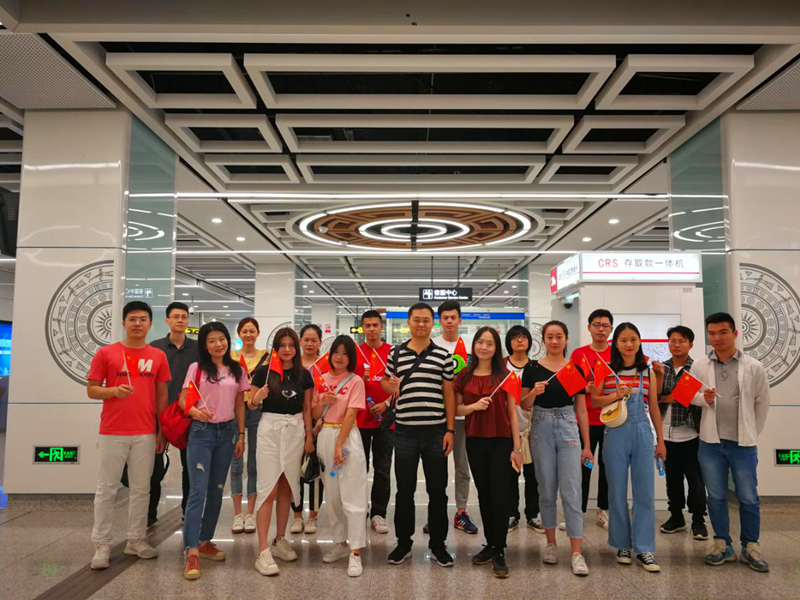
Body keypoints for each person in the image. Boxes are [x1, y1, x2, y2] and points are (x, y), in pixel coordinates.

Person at [87, 301, 170, 570]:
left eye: (143, 319)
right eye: (132, 319)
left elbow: (161, 394)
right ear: (123, 322)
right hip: (112, 431)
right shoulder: (106, 353)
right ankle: (102, 543)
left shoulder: (158, 356)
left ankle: (136, 539)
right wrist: (113, 391)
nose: (137, 323)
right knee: (107, 489)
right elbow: (92, 389)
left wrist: (161, 430)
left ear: (150, 324)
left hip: (145, 432)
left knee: (141, 488)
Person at [690, 313, 771, 573]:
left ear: (735, 333)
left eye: (723, 332)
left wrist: (750, 433)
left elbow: (761, 403)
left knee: (747, 496)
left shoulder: (753, 366)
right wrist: (704, 399)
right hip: (710, 444)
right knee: (715, 496)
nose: (717, 338)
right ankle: (722, 544)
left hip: (742, 445)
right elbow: (689, 395)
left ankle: (751, 546)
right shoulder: (700, 365)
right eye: (712, 333)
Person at [383, 302, 456, 567]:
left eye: (426, 320)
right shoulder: (395, 354)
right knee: (404, 490)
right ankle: (403, 543)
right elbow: (386, 384)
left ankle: (438, 544)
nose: (421, 324)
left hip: (436, 431)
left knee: (438, 491)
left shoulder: (443, 356)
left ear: (432, 323)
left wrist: (450, 430)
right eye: (416, 320)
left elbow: (449, 394)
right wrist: (389, 385)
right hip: (405, 432)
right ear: (409, 322)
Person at [592, 322, 667, 573]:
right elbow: (594, 401)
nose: (629, 344)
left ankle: (644, 548)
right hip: (615, 433)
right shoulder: (605, 369)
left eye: (633, 339)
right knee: (616, 491)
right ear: (615, 343)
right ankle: (622, 544)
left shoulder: (647, 373)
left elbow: (654, 407)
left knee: (645, 491)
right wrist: (615, 395)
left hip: (642, 432)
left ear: (639, 342)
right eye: (623, 340)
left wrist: (660, 440)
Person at [521, 321, 592, 577]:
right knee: (547, 488)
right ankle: (551, 544)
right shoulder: (532, 368)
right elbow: (524, 404)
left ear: (566, 339)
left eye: (559, 336)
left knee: (572, 490)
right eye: (549, 336)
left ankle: (576, 552)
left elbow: (581, 409)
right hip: (540, 425)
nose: (554, 341)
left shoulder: (574, 369)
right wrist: (535, 392)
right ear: (543, 339)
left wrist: (587, 445)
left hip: (568, 423)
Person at [180, 322, 248, 580]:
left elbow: (240, 404)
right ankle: (191, 550)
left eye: (222, 339)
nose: (218, 344)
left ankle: (205, 541)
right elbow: (184, 399)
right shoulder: (196, 368)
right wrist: (195, 412)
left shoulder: (237, 369)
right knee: (198, 491)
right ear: (204, 345)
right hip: (202, 433)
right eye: (212, 341)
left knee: (217, 491)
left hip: (227, 433)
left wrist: (241, 435)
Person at [455, 327, 522, 578]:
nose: (484, 347)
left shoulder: (505, 376)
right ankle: (491, 544)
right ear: (474, 345)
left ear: (496, 348)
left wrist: (517, 448)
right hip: (475, 440)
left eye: (490, 343)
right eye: (480, 342)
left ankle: (500, 548)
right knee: (484, 494)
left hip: (501, 441)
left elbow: (513, 413)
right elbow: (457, 409)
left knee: (500, 494)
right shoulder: (464, 375)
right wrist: (474, 406)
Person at [249, 328, 315, 577]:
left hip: (296, 431)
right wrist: (258, 397)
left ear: (296, 348)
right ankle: (262, 550)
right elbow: (250, 404)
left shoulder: (304, 374)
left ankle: (279, 539)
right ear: (276, 348)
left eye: (291, 345)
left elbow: (307, 408)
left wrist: (309, 436)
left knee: (287, 485)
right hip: (270, 430)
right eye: (282, 345)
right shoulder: (264, 372)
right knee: (268, 488)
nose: (287, 349)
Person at [311, 335, 369, 577]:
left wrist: (339, 445)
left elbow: (351, 414)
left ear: (351, 357)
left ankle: (355, 551)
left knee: (352, 495)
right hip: (325, 437)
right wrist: (322, 401)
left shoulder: (356, 381)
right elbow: (315, 413)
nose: (339, 357)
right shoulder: (321, 380)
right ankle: (340, 543)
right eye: (336, 352)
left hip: (347, 440)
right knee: (332, 494)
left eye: (345, 353)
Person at [653, 325, 707, 540]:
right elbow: (655, 397)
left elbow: (687, 398)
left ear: (690, 344)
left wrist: (670, 397)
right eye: (673, 341)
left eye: (682, 341)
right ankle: (676, 517)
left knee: (695, 480)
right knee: (672, 480)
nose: (676, 345)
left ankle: (698, 520)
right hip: (666, 435)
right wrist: (671, 395)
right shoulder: (661, 368)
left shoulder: (697, 368)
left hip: (691, 434)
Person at [431, 300, 478, 535]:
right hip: (437, 416)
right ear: (439, 321)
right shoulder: (431, 345)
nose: (449, 321)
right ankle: (437, 513)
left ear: (460, 320)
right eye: (445, 318)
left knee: (462, 467)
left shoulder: (470, 346)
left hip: (463, 416)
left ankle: (461, 512)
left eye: (453, 317)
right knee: (436, 468)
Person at [150, 301, 197, 521]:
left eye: (184, 317)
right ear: (167, 320)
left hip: (187, 414)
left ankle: (188, 510)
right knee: (153, 467)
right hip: (157, 414)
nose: (180, 320)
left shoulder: (197, 349)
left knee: (189, 466)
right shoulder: (155, 348)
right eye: (176, 317)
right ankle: (150, 513)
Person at [569, 308, 613, 530]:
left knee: (607, 467)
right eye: (596, 325)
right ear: (589, 327)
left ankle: (603, 510)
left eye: (605, 326)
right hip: (584, 420)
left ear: (611, 329)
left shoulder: (616, 354)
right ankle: (578, 511)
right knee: (581, 468)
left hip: (610, 420)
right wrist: (583, 388)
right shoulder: (579, 354)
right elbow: (569, 385)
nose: (601, 329)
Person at [355, 310, 394, 535]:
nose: (371, 329)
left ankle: (379, 514)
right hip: (359, 419)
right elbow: (345, 381)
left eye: (375, 325)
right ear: (363, 328)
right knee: (359, 469)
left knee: (383, 468)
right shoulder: (355, 352)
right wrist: (359, 379)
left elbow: (399, 384)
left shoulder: (392, 352)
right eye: (367, 325)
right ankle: (359, 510)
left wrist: (386, 403)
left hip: (385, 421)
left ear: (381, 327)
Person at [229, 317, 268, 535]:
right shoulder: (231, 357)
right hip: (234, 411)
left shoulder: (266, 356)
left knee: (254, 463)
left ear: (258, 333)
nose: (248, 334)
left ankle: (250, 512)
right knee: (236, 463)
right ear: (239, 333)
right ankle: (237, 514)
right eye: (245, 331)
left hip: (258, 411)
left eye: (252, 331)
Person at [504, 325, 543, 533]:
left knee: (533, 474)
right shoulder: (502, 366)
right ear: (508, 342)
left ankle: (532, 514)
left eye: (523, 337)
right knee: (510, 474)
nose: (519, 340)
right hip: (507, 428)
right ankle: (511, 514)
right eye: (515, 337)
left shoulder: (536, 367)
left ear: (529, 342)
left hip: (533, 426)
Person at [291, 323, 325, 534]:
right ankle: (296, 516)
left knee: (315, 469)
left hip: (319, 422)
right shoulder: (293, 366)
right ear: (300, 341)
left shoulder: (326, 366)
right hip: (295, 422)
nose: (310, 343)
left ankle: (313, 516)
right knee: (293, 469)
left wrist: (321, 421)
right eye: (306, 340)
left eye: (314, 340)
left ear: (320, 342)